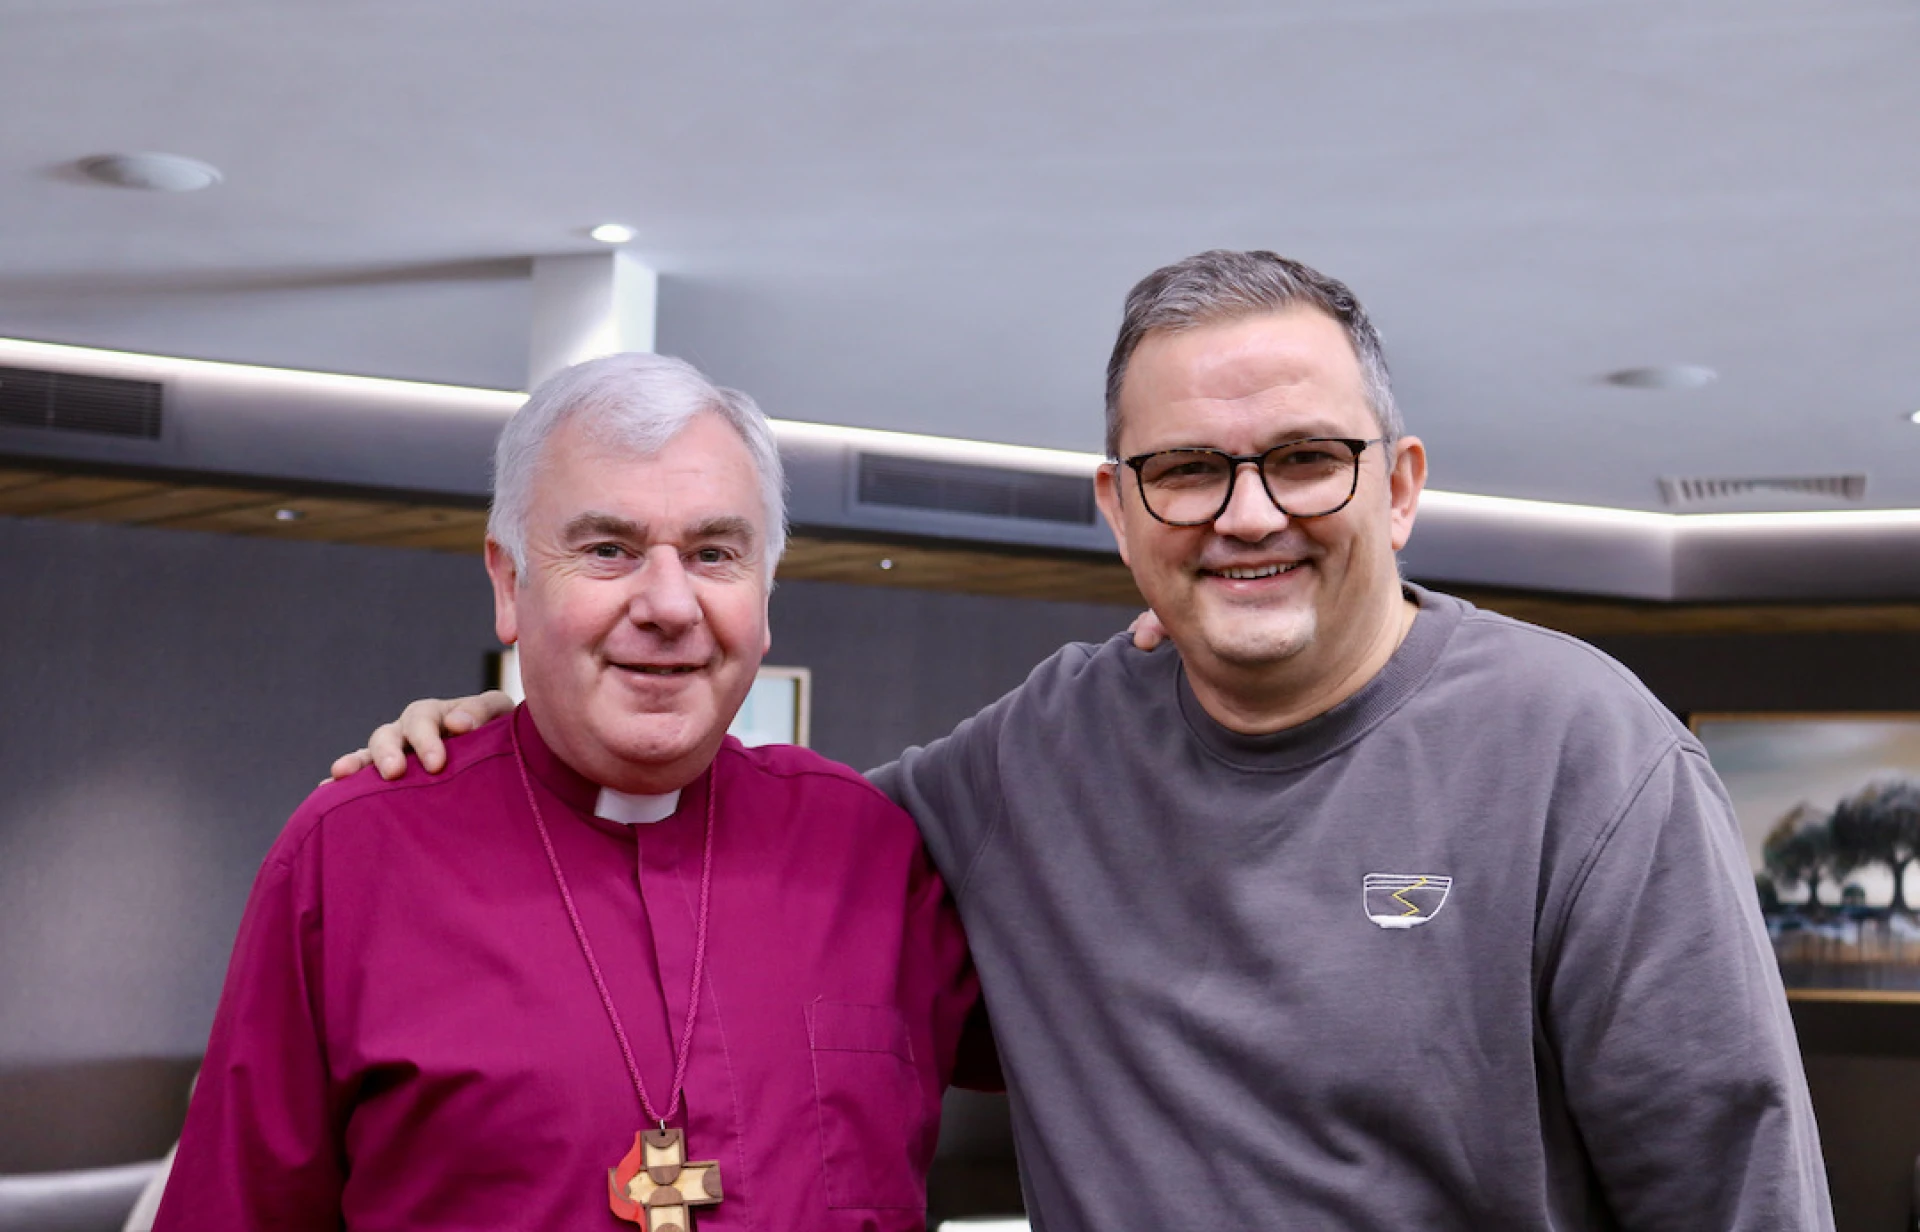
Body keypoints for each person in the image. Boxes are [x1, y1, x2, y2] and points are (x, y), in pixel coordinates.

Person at [346, 251, 1832, 1228]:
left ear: (1398, 486)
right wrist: (529, 738)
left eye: (1305, 459)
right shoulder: (1040, 756)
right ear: (1120, 512)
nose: (1248, 514)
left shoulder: (1583, 755)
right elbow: (762, 855)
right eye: (1188, 471)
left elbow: (1737, 1187)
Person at [159, 355, 977, 1230]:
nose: (670, 605)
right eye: (608, 551)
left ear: (765, 593)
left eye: (714, 554)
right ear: (509, 584)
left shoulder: (870, 851)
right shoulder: (355, 853)